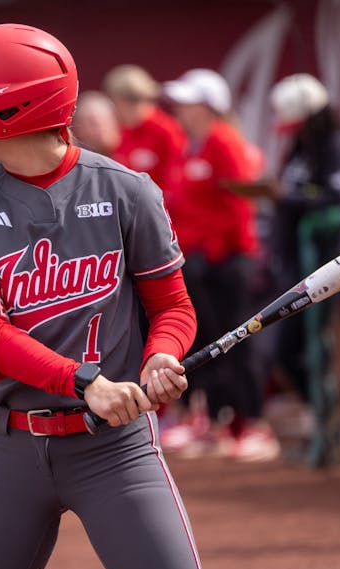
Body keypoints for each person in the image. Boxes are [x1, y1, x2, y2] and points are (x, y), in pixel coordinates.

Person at [0, 24, 231, 569]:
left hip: (115, 455)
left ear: (17, 104)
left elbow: (171, 308)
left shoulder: (126, 190)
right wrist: (84, 380)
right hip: (7, 453)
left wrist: (160, 357)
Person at [163, 68, 278, 460]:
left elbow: (237, 210)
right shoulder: (189, 145)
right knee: (208, 344)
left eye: (188, 101)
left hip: (228, 263)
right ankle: (216, 423)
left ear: (209, 106)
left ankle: (256, 425)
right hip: (199, 265)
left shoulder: (224, 143)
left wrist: (207, 253)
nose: (180, 108)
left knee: (239, 344)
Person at [266, 73, 340, 397]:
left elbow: (338, 198)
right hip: (293, 260)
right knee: (288, 351)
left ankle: (328, 422)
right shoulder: (302, 147)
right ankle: (323, 422)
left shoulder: (338, 143)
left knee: (298, 349)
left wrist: (287, 196)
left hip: (322, 260)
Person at [103, 63, 187, 198]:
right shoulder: (122, 130)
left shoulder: (167, 131)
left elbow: (176, 182)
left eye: (115, 101)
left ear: (123, 101)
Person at [71, 90, 122, 157]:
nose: (100, 126)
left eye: (104, 119)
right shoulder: (76, 159)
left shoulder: (134, 148)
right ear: (78, 129)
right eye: (91, 123)